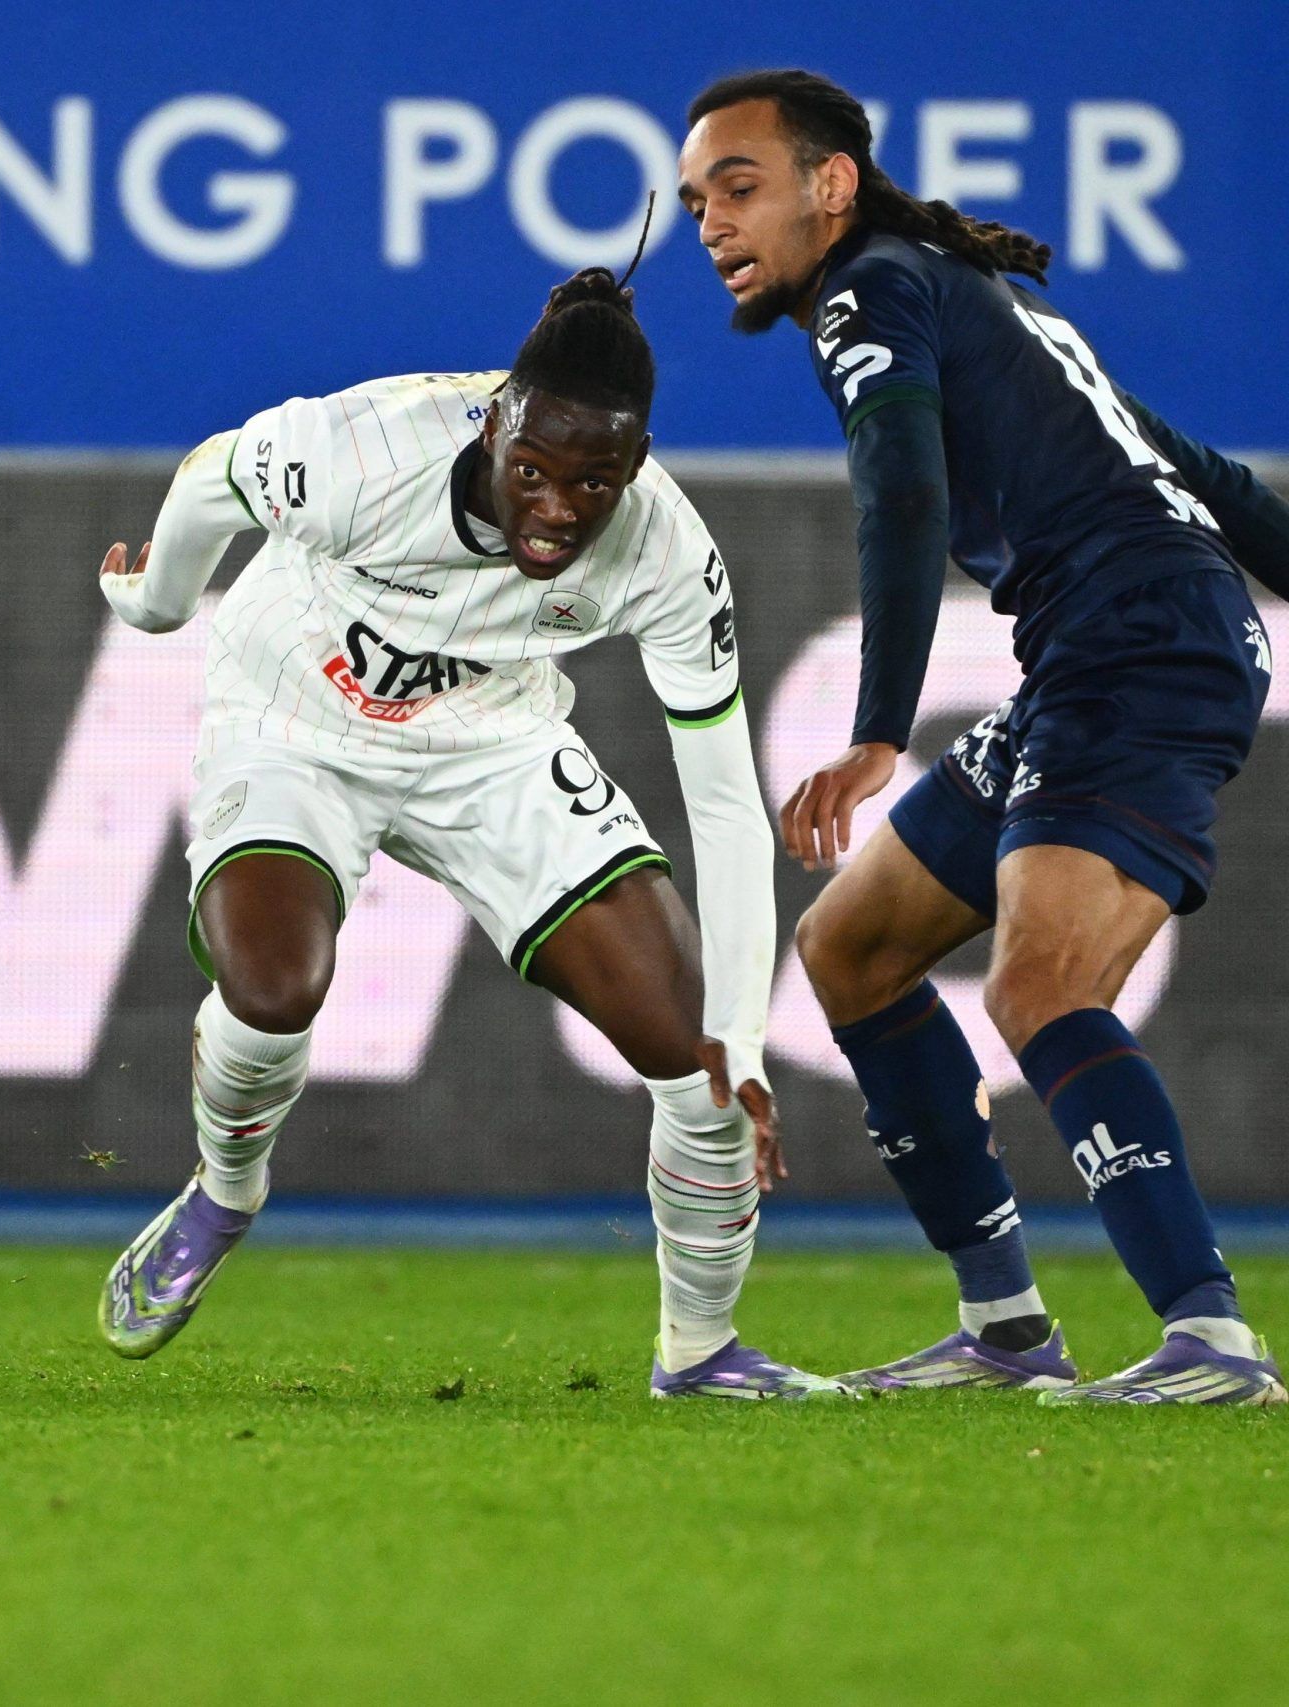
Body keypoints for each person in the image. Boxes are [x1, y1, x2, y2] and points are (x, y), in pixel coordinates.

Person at [93, 270, 844, 1399]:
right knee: (273, 983)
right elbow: (213, 479)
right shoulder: (361, 452)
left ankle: (699, 1352)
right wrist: (156, 603)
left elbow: (726, 800)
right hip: (297, 710)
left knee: (686, 1046)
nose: (556, 508)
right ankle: (224, 1190)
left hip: (491, 738)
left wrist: (741, 1034)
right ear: (494, 419)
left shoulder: (665, 551)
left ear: (635, 467)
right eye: (534, 470)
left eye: (594, 481)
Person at [679, 70, 1289, 1404]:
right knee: (851, 945)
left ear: (829, 185)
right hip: (1105, 645)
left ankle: (1210, 1338)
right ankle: (1007, 1324)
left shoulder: (866, 291)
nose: (711, 221)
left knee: (1038, 984)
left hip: (1138, 644)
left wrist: (875, 730)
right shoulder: (967, 292)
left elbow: (902, 490)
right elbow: (1200, 470)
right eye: (694, 202)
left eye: (740, 186)